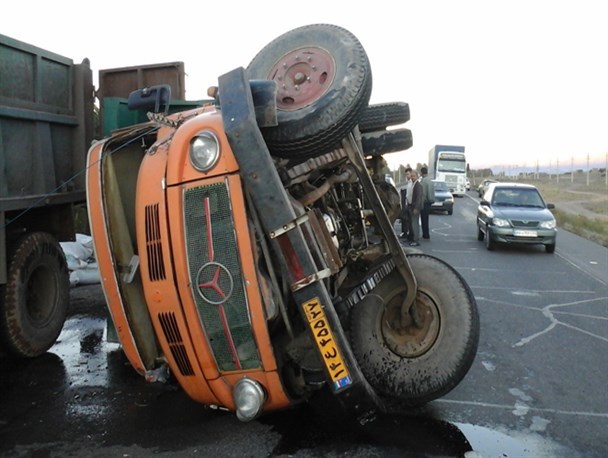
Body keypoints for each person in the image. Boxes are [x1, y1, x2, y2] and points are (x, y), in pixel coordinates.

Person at [408, 169, 423, 246]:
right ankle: (413, 239)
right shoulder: (413, 184)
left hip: (415, 207)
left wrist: (416, 208)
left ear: (417, 176)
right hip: (411, 206)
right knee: (412, 223)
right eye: (411, 176)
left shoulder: (418, 185)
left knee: (415, 224)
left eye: (414, 176)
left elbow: (419, 198)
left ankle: (416, 240)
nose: (412, 177)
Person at [420, 166, 434, 240]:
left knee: (424, 219)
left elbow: (423, 193)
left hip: (424, 202)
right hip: (430, 202)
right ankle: (426, 234)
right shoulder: (430, 180)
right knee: (426, 218)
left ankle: (425, 234)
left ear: (421, 173)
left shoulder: (423, 181)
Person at [399, 168, 413, 240]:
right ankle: (406, 233)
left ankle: (410, 235)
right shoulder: (408, 182)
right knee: (405, 219)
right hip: (406, 204)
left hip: (410, 204)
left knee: (410, 221)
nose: (407, 176)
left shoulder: (412, 183)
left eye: (408, 174)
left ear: (411, 173)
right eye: (406, 174)